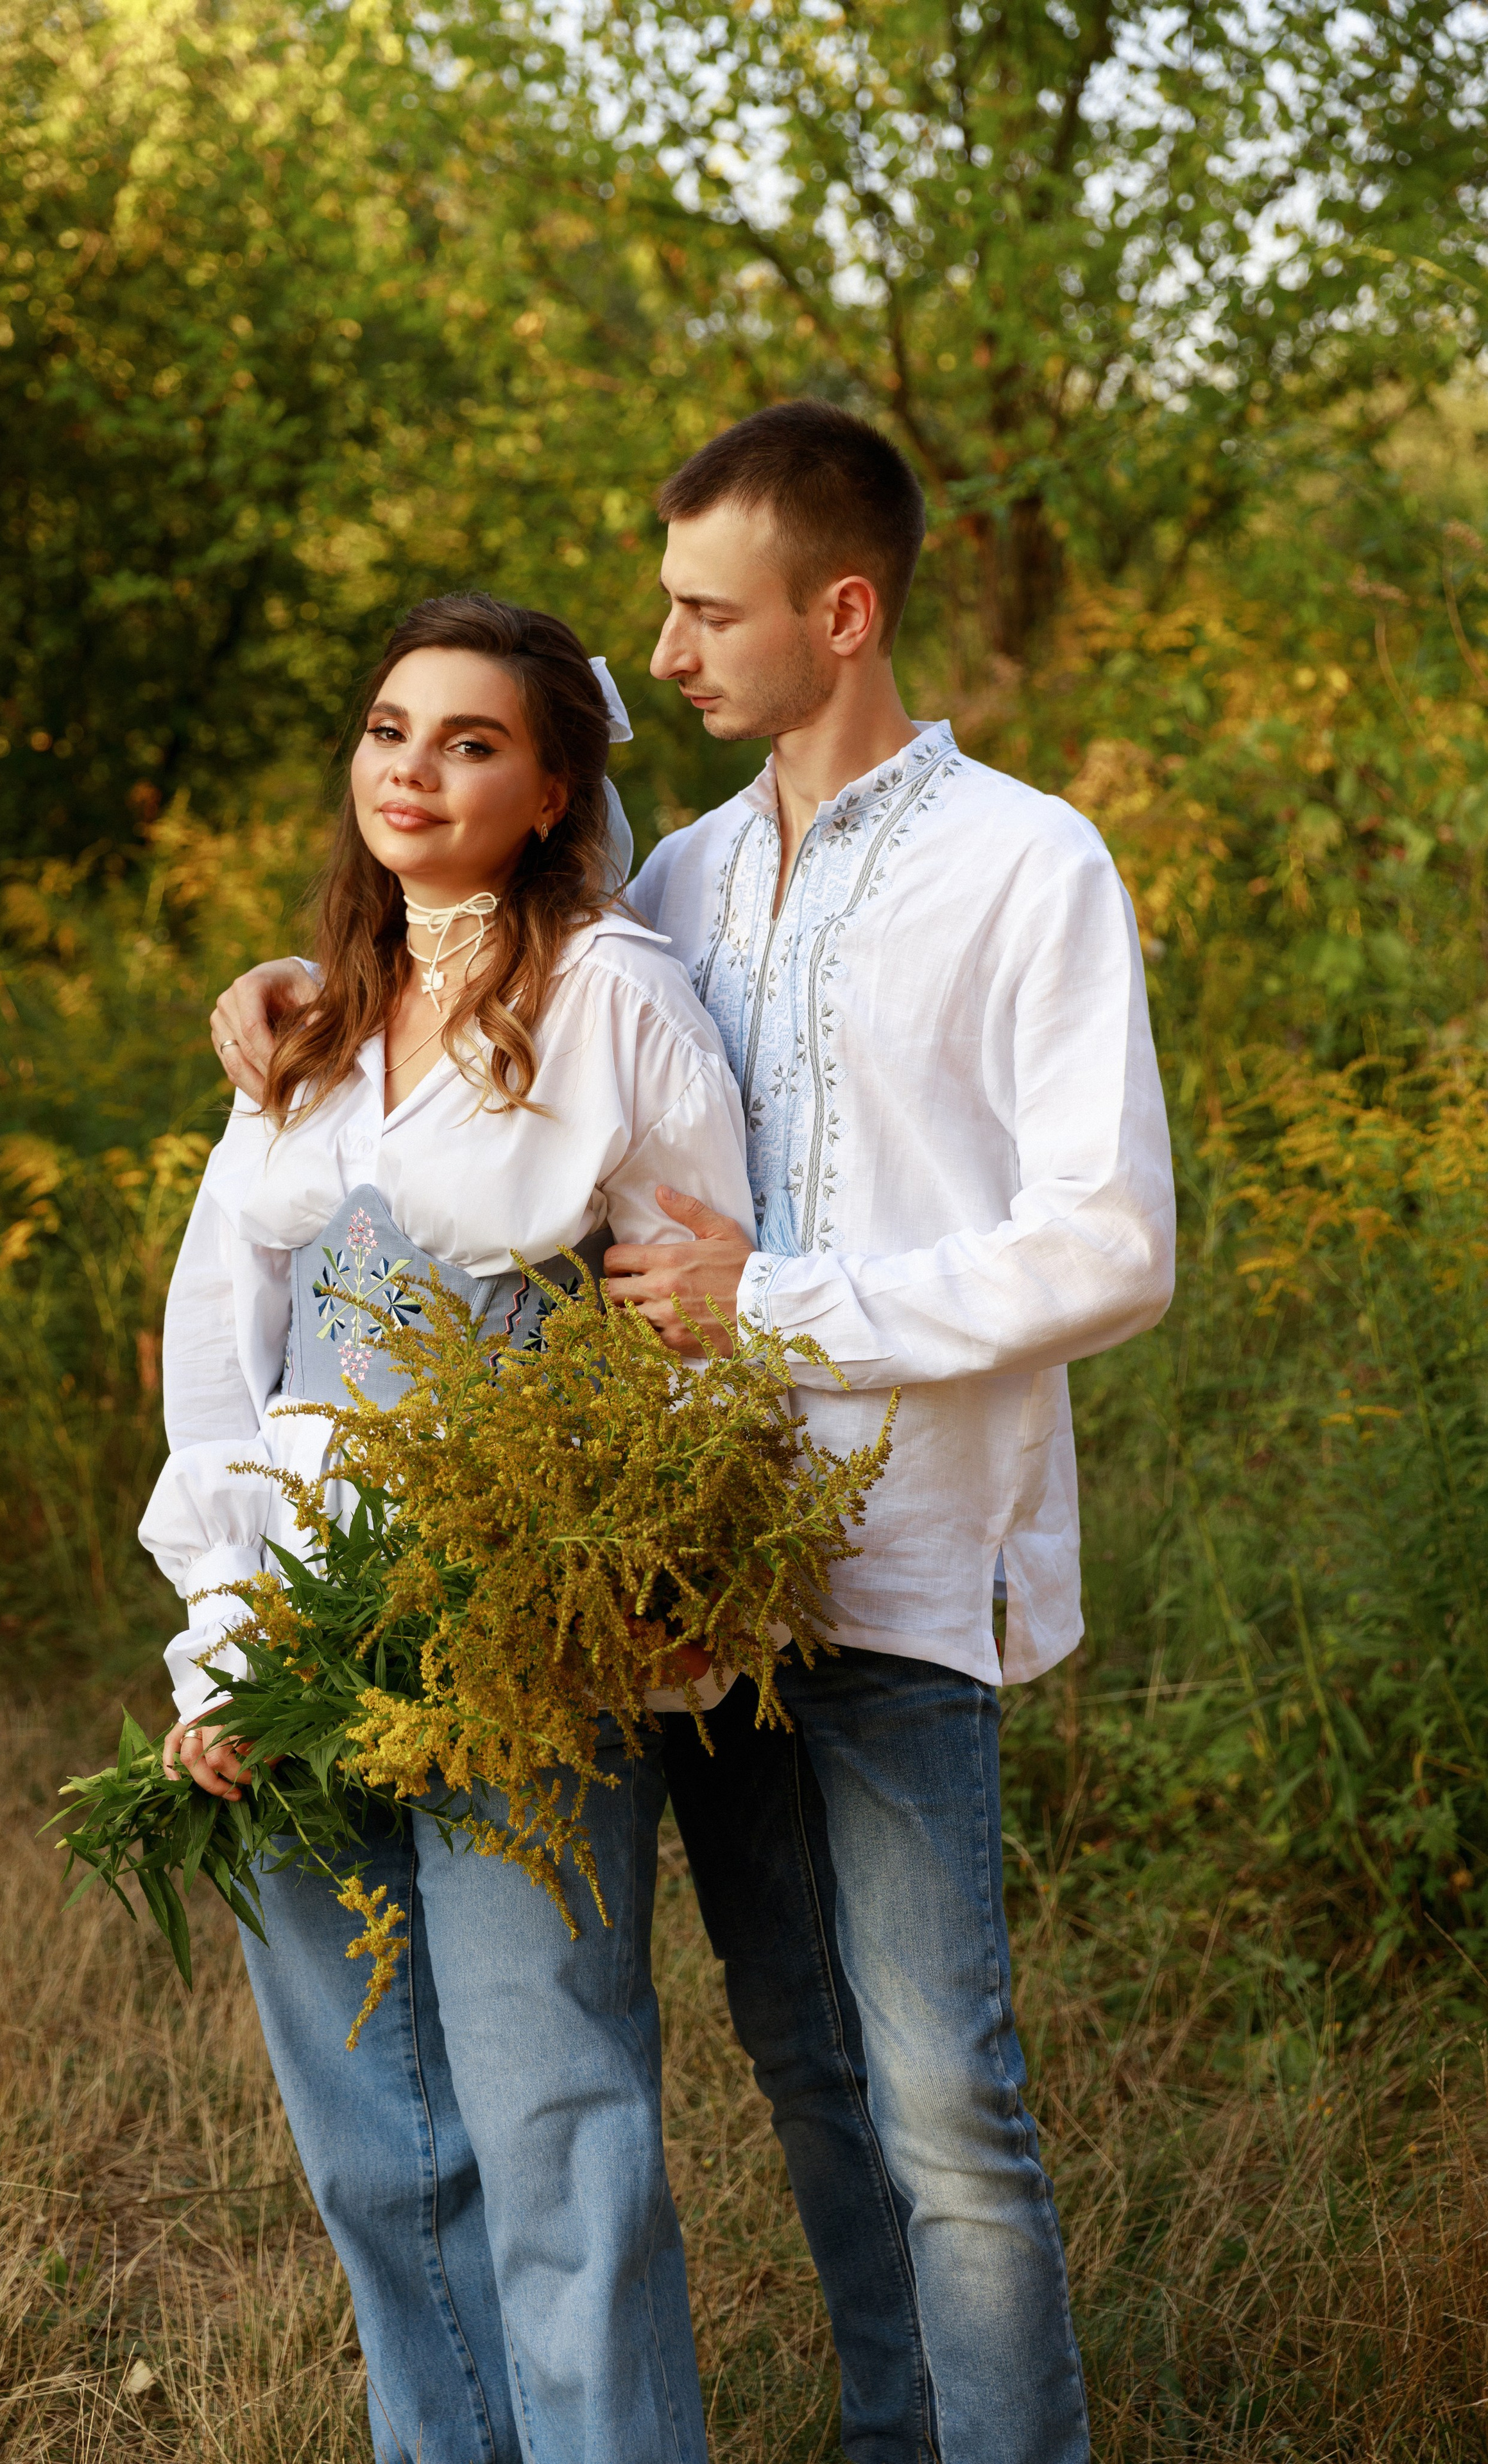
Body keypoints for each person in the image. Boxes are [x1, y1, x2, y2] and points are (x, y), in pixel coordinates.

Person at [215, 404, 1177, 2464]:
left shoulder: (1030, 862)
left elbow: (1112, 1245)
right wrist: (308, 978)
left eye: (707, 614)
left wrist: (785, 1305)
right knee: (810, 2075)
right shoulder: (689, 873)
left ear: (846, 614)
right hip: (689, 1603)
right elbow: (503, 963)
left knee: (947, 2103)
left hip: (903, 1557)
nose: (663, 653)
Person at [141, 593, 755, 2464]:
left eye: (472, 742)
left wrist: (660, 1578)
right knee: (376, 2143)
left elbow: (707, 1319)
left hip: (521, 1634)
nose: (414, 771)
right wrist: (226, 1636)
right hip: (302, 1631)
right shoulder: (311, 1026)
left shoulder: (615, 1000)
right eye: (391, 730)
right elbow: (223, 1355)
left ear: (555, 788)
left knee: (556, 2127)